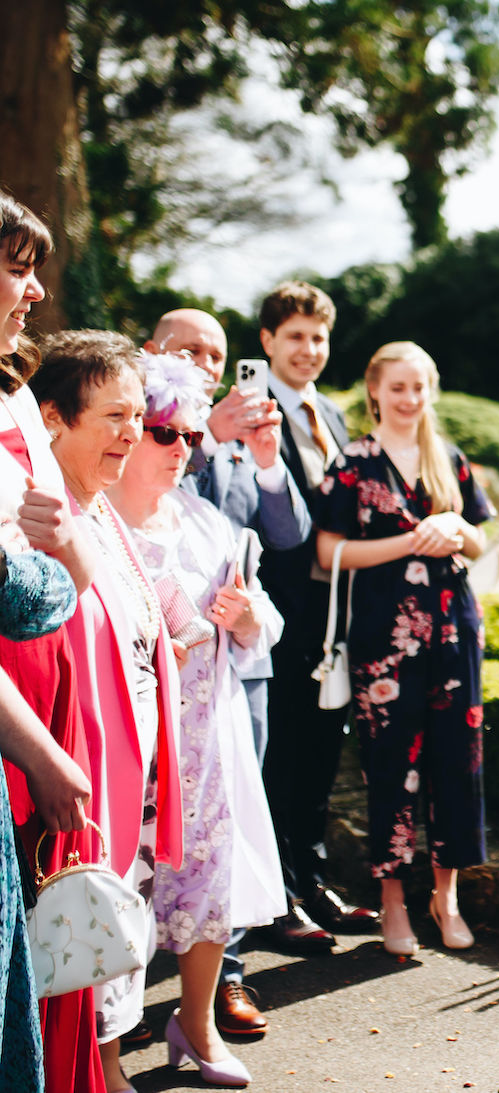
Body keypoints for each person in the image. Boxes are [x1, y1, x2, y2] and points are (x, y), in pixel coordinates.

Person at [107, 351, 288, 1086]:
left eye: (189, 434)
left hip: (205, 739)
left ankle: (198, 1025)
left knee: (204, 885)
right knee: (124, 889)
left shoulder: (207, 523)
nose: (182, 448)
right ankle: (105, 1051)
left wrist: (247, 618)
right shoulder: (98, 518)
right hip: (126, 738)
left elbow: (262, 623)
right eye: (163, 432)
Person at [145, 307, 311, 1036]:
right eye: (190, 349)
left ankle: (227, 979)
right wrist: (204, 435)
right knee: (153, 829)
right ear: (154, 352)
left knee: (233, 823)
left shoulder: (240, 436)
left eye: (217, 351)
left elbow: (289, 535)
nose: (208, 362)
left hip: (243, 665)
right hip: (170, 664)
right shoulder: (170, 427)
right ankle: (139, 982)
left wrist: (267, 457)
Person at [34, 330, 185, 1093]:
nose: (132, 432)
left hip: (129, 775)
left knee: (115, 934)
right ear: (54, 417)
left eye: (138, 414)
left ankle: (110, 1063)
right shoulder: (43, 517)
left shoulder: (105, 515)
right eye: (114, 416)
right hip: (72, 780)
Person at [315, 341, 494, 955]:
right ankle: (392, 902)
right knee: (390, 767)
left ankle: (445, 898)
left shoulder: (448, 458)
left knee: (456, 765)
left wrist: (456, 531)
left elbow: (478, 544)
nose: (409, 399)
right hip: (383, 643)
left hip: (452, 634)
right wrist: (411, 541)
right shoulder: (352, 464)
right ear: (375, 392)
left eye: (419, 387)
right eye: (398, 388)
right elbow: (327, 553)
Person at [0, 192, 108, 1093]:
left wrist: (64, 550)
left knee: (48, 907)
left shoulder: (10, 390)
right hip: (10, 691)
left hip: (48, 657)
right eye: (16, 266)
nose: (34, 290)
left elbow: (63, 546)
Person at [253, 281, 378, 954]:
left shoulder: (330, 412)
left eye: (318, 337)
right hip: (279, 614)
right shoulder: (251, 410)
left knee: (322, 754)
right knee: (282, 757)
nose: (309, 348)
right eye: (295, 335)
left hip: (334, 615)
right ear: (268, 340)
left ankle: (315, 877)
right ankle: (278, 899)